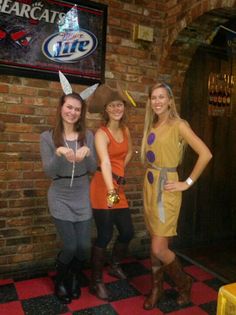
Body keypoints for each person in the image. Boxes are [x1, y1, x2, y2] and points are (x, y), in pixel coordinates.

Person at [140, 82, 212, 310]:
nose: (158, 101)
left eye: (162, 97)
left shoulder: (179, 125)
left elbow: (206, 154)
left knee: (159, 248)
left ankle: (184, 283)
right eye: (154, 97)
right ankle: (157, 288)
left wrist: (186, 183)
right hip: (150, 187)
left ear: (170, 100)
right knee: (155, 242)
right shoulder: (152, 124)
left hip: (167, 190)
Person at [40, 90, 97, 304]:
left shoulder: (87, 136)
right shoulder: (47, 137)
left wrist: (88, 154)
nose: (72, 112)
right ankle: (61, 280)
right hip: (59, 196)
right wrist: (58, 153)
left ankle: (73, 275)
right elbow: (49, 172)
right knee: (71, 246)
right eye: (69, 107)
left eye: (77, 109)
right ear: (61, 108)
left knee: (84, 248)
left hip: (82, 194)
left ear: (81, 112)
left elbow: (93, 168)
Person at [87, 83, 135, 300]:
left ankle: (114, 265)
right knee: (105, 235)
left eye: (120, 105)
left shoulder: (125, 130)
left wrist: (121, 171)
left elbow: (129, 152)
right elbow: (105, 163)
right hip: (102, 186)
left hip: (117, 185)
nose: (117, 108)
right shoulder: (101, 133)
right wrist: (110, 190)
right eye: (112, 105)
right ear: (105, 109)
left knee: (127, 232)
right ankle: (96, 281)